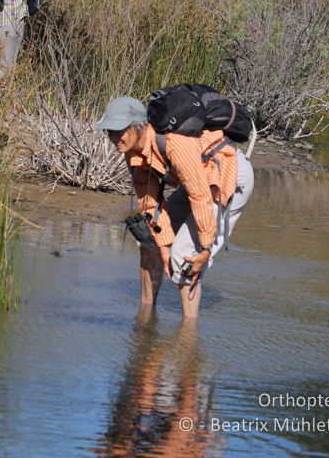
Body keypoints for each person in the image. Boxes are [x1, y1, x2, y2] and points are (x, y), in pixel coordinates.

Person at [94, 96, 254, 318]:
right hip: (198, 183)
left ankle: (187, 337)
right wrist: (163, 247)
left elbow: (200, 195)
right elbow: (150, 203)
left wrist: (205, 249)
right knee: (149, 240)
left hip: (228, 177)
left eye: (118, 131)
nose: (113, 138)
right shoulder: (132, 152)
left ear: (137, 127)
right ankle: (146, 316)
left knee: (186, 256)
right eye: (109, 132)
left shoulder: (173, 143)